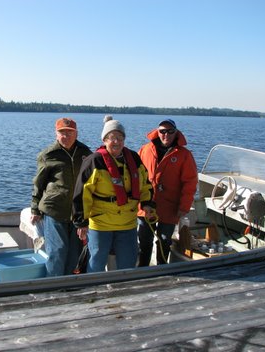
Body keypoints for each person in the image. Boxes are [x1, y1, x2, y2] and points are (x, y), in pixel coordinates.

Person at [73, 115, 155, 272]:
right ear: (104, 140)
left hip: (127, 223)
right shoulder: (94, 161)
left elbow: (145, 184)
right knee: (96, 263)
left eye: (120, 137)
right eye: (112, 138)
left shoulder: (134, 158)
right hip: (101, 223)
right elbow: (82, 193)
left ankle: (124, 293)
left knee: (128, 263)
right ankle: (94, 293)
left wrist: (147, 205)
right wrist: (81, 222)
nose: (116, 142)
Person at [31, 117, 92, 276]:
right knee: (57, 252)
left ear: (76, 133)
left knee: (74, 253)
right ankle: (54, 288)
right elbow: (38, 184)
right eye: (62, 133)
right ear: (56, 134)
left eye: (70, 132)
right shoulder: (48, 155)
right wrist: (35, 209)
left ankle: (70, 287)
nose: (66, 136)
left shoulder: (85, 153)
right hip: (54, 211)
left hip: (77, 213)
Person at [137, 119, 198, 266]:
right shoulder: (145, 149)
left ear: (176, 132)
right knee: (144, 241)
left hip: (170, 207)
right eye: (162, 131)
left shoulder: (184, 155)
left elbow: (190, 183)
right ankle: (143, 270)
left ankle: (162, 269)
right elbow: (135, 176)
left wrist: (184, 207)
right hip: (146, 206)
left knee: (164, 241)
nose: (166, 134)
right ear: (157, 132)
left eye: (170, 131)